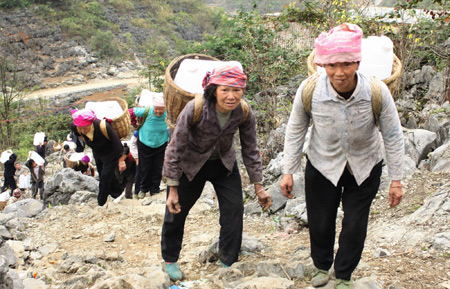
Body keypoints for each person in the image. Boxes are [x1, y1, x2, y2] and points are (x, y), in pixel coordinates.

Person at [280, 23, 404, 289]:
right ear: (322, 65)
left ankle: (345, 274)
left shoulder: (376, 91)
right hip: (322, 164)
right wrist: (288, 170)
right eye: (332, 65)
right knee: (321, 220)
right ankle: (322, 266)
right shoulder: (310, 90)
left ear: (357, 62)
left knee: (356, 223)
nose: (339, 72)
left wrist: (396, 179)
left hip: (365, 165)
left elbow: (393, 135)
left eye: (346, 64)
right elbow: (295, 131)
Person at [160, 65, 272, 281]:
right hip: (191, 165)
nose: (231, 96)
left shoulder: (244, 112)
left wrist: (259, 185)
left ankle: (227, 260)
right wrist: (172, 187)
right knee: (176, 213)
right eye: (225, 90)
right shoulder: (196, 108)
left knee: (234, 210)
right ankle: (170, 259)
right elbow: (175, 147)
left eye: (237, 90)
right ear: (214, 90)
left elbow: (251, 149)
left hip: (223, 164)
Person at [71, 109, 124, 206]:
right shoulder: (77, 128)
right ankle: (117, 193)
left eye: (85, 128)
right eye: (80, 128)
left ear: (90, 123)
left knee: (104, 177)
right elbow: (73, 124)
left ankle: (101, 202)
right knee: (105, 174)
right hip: (98, 154)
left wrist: (121, 160)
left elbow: (118, 144)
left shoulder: (103, 126)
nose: (83, 131)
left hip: (110, 153)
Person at [133, 94, 169, 199]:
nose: (158, 111)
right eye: (157, 109)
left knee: (157, 168)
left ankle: (155, 189)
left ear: (165, 108)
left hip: (160, 144)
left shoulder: (168, 113)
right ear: (153, 107)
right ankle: (143, 189)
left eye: (161, 109)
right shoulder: (147, 111)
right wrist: (133, 122)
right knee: (144, 168)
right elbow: (131, 111)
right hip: (145, 143)